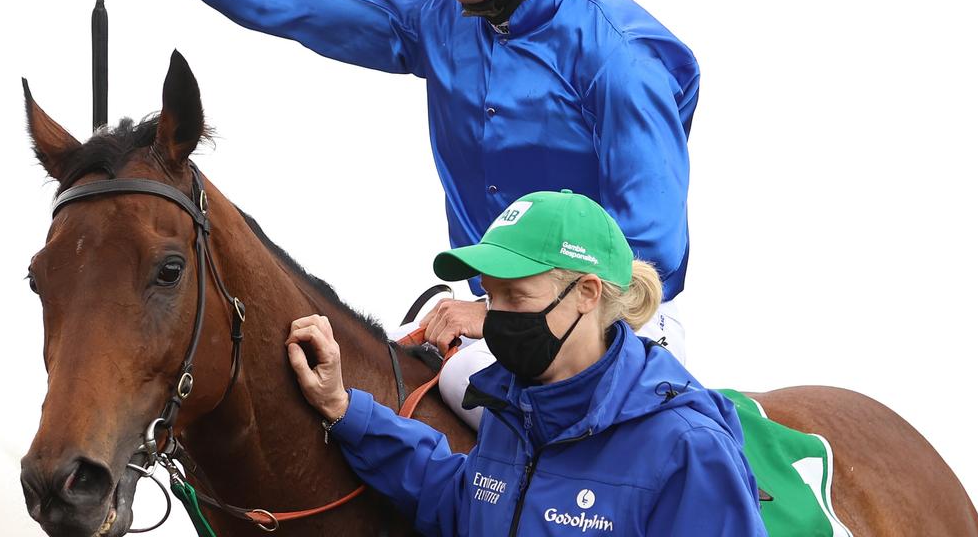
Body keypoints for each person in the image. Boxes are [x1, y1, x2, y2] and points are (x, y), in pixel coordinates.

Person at [78, 0, 698, 420]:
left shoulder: (620, 61)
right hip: (490, 315)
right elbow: (287, 1)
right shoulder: (439, 23)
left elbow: (648, 261)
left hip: (613, 329)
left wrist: (504, 317)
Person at [286, 190, 764, 536]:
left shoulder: (689, 451)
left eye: (516, 295)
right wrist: (343, 408)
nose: (495, 318)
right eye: (490, 296)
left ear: (586, 293)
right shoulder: (513, 405)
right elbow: (461, 501)